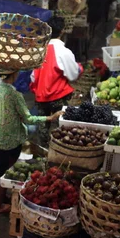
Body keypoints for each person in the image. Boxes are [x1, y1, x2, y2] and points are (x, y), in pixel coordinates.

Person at [0, 69, 63, 214]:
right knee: (6, 172)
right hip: (11, 140)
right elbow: (28, 118)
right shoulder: (15, 94)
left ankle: (3, 198)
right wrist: (50, 118)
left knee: (2, 169)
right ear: (15, 74)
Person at [29, 16, 82, 145]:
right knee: (62, 127)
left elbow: (33, 77)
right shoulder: (64, 52)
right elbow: (73, 75)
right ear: (62, 30)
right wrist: (79, 68)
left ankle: (43, 150)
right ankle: (60, 149)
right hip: (59, 96)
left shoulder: (39, 51)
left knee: (43, 126)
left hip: (41, 97)